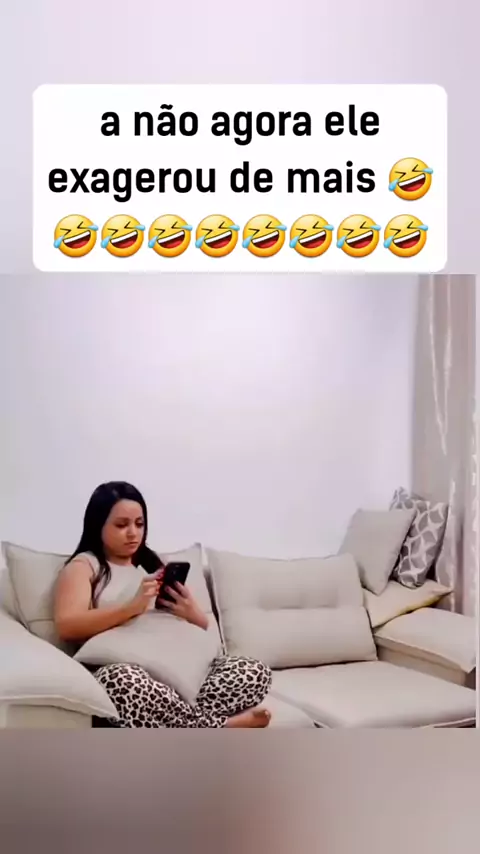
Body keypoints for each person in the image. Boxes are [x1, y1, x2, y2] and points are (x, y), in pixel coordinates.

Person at [54, 481, 272, 728]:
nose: (133, 533)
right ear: (98, 525)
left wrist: (192, 613)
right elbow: (67, 626)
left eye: (139, 524)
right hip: (129, 672)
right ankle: (219, 727)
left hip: (176, 670)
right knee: (123, 684)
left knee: (254, 672)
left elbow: (202, 632)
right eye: (121, 525)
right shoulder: (85, 566)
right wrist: (131, 608)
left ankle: (181, 722)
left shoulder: (151, 564)